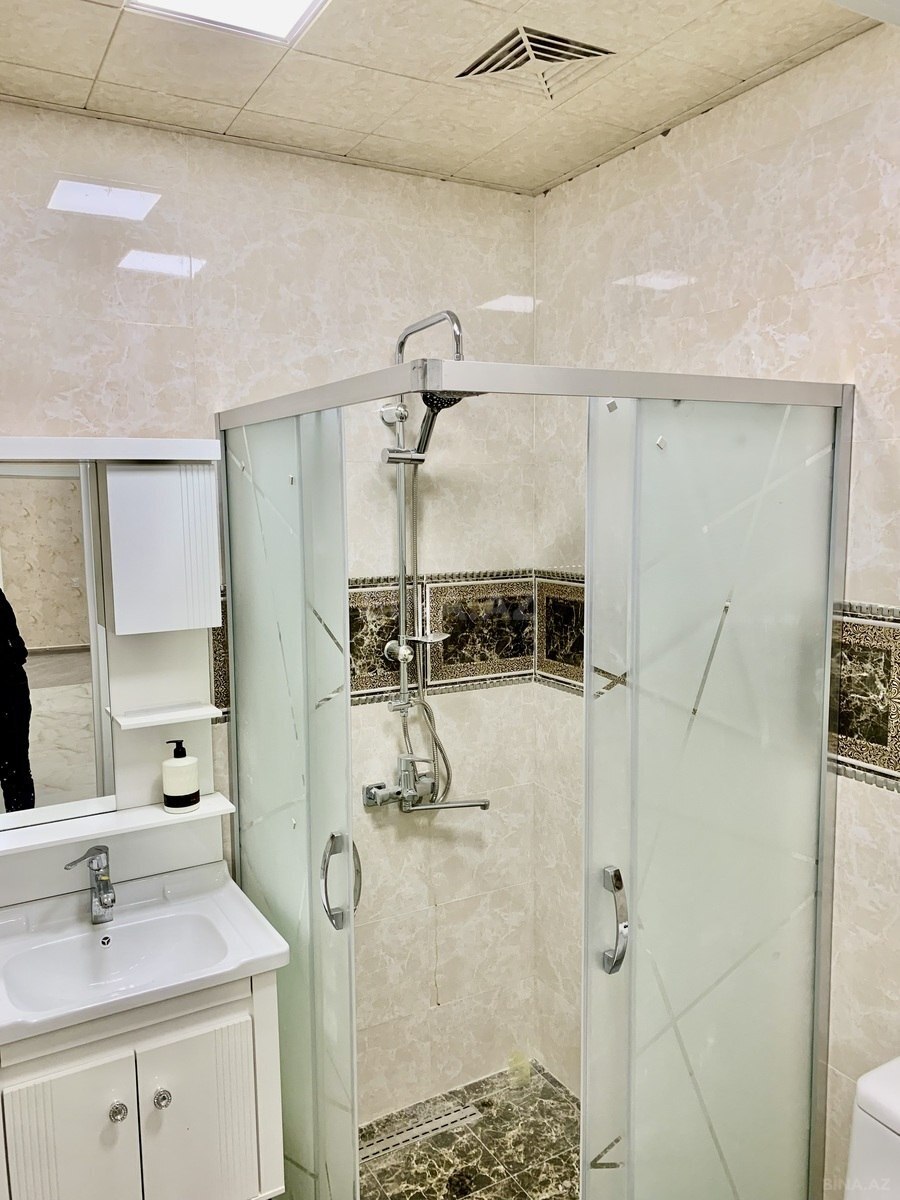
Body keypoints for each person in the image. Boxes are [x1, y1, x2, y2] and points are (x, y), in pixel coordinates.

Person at [0, 586, 35, 812]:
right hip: (11, 686)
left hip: (9, 689)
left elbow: (16, 647)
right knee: (15, 766)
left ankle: (22, 824)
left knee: (15, 765)